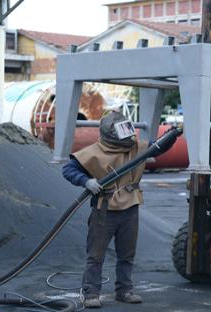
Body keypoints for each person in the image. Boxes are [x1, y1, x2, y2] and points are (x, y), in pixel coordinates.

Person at [62, 111, 147, 309]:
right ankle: (91, 293)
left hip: (130, 207)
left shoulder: (136, 148)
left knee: (127, 254)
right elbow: (68, 170)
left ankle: (124, 290)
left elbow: (158, 149)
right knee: (96, 255)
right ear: (111, 135)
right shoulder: (93, 152)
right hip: (105, 209)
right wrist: (86, 181)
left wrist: (173, 134)